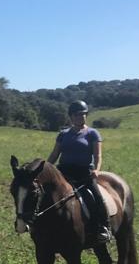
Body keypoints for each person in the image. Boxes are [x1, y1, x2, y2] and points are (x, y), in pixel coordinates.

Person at [47, 101, 111, 243]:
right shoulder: (63, 134)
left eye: (84, 114)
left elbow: (98, 155)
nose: (81, 117)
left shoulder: (92, 133)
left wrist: (96, 169)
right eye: (77, 114)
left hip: (84, 173)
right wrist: (45, 168)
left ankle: (103, 226)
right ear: (71, 116)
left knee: (96, 196)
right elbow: (55, 154)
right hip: (63, 171)